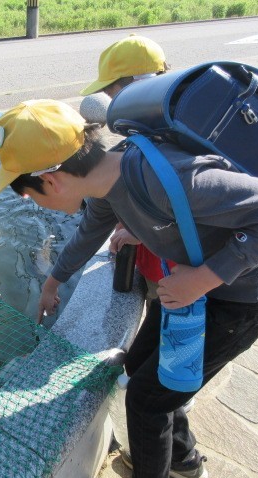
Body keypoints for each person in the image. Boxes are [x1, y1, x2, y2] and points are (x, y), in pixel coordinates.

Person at [0, 99, 258, 478]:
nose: (39, 205)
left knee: (146, 400)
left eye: (31, 196)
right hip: (192, 294)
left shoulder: (165, 179)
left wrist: (203, 278)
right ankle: (182, 461)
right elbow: (89, 233)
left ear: (52, 181)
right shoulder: (107, 182)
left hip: (236, 304)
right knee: (141, 368)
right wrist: (52, 283)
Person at [80, 33, 171, 309]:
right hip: (155, 260)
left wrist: (141, 233)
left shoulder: (172, 135)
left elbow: (190, 209)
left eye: (112, 94)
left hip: (177, 274)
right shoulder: (149, 125)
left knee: (164, 319)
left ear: (139, 84)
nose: (112, 104)